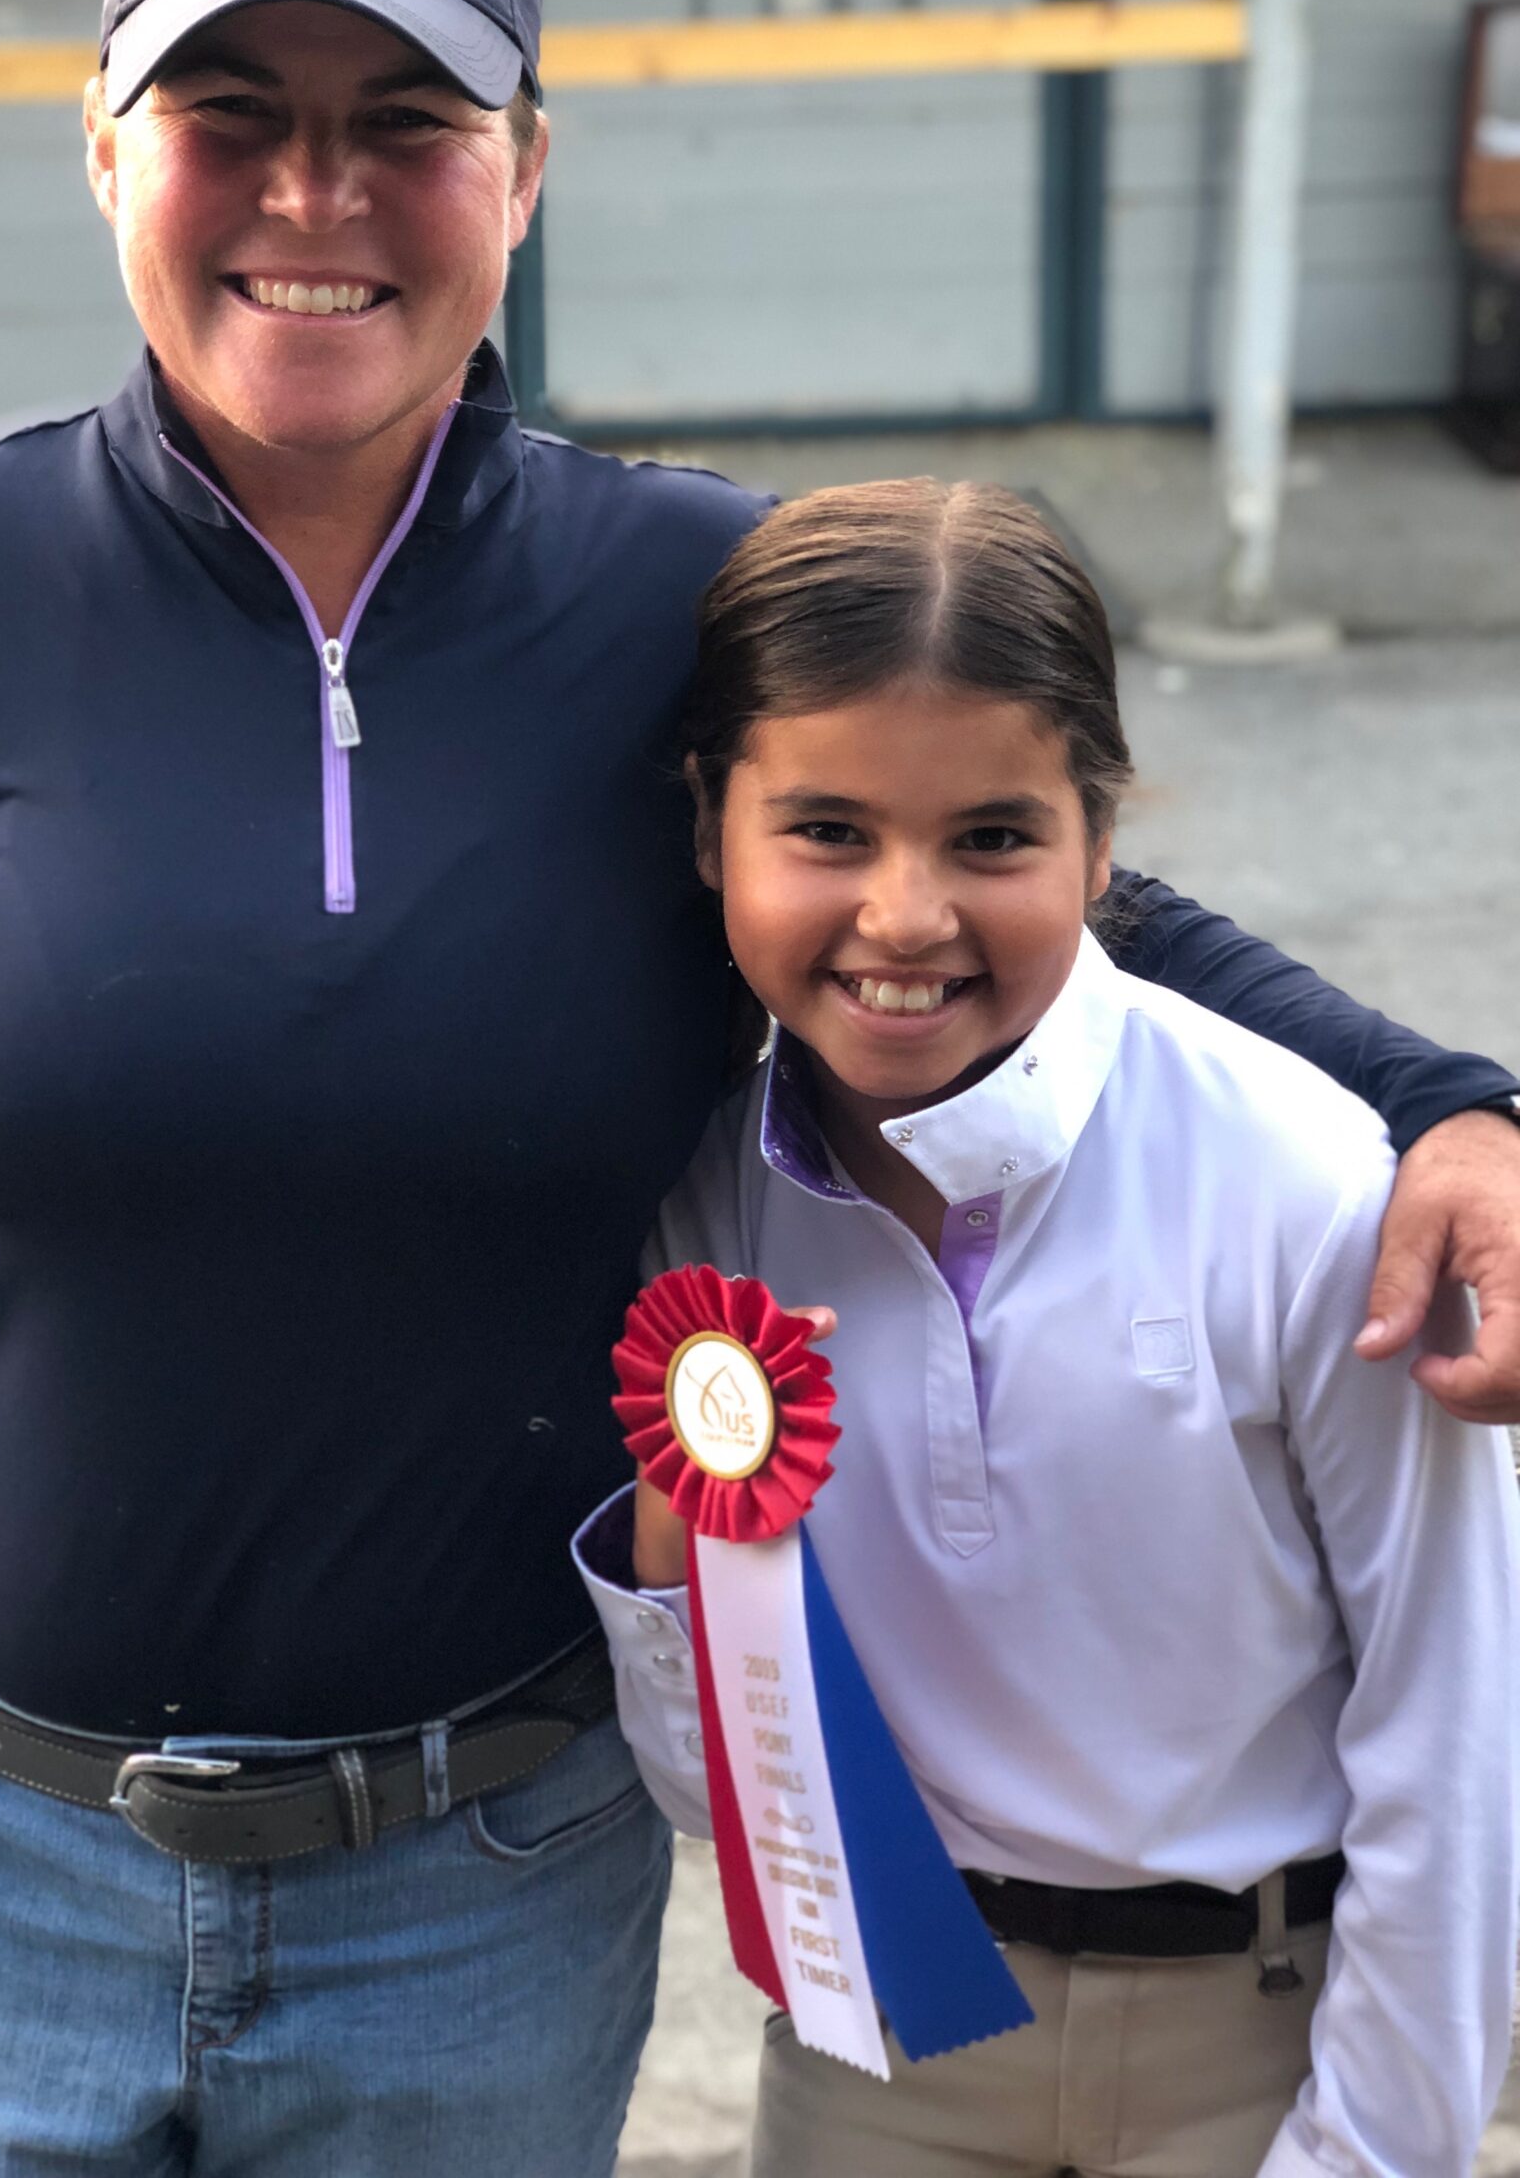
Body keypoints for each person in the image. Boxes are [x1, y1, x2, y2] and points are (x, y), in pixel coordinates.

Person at [0, 0, 1515, 2177]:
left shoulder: (678, 604)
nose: (315, 196)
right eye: (230, 112)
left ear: (527, 161)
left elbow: (1043, 907)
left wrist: (1461, 1102)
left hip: (484, 1876)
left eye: (407, 118)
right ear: (103, 144)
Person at [576, 479, 1520, 2178]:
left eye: (994, 838)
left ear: (1103, 840)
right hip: (886, 2048)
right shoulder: (709, 1202)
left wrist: (1372, 2151)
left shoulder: (1312, 1189)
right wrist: (671, 1563)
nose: (908, 916)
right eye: (830, 831)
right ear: (717, 825)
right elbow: (725, 1791)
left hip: (1271, 2051)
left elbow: (1458, 1740)